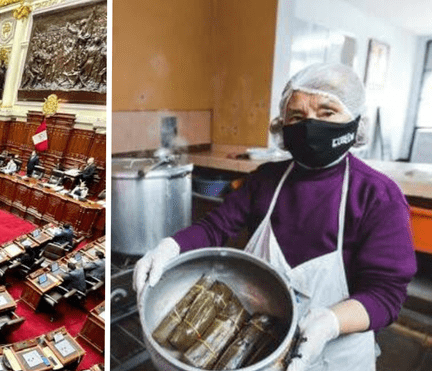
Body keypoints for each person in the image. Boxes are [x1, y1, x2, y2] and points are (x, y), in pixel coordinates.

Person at [133, 63, 417, 371]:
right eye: (297, 116)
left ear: (355, 121)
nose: (310, 126)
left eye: (327, 113)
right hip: (261, 350)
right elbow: (215, 227)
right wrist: (170, 247)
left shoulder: (378, 196)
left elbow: (386, 295)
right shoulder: (265, 180)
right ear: (282, 126)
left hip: (338, 356)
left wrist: (330, 323)